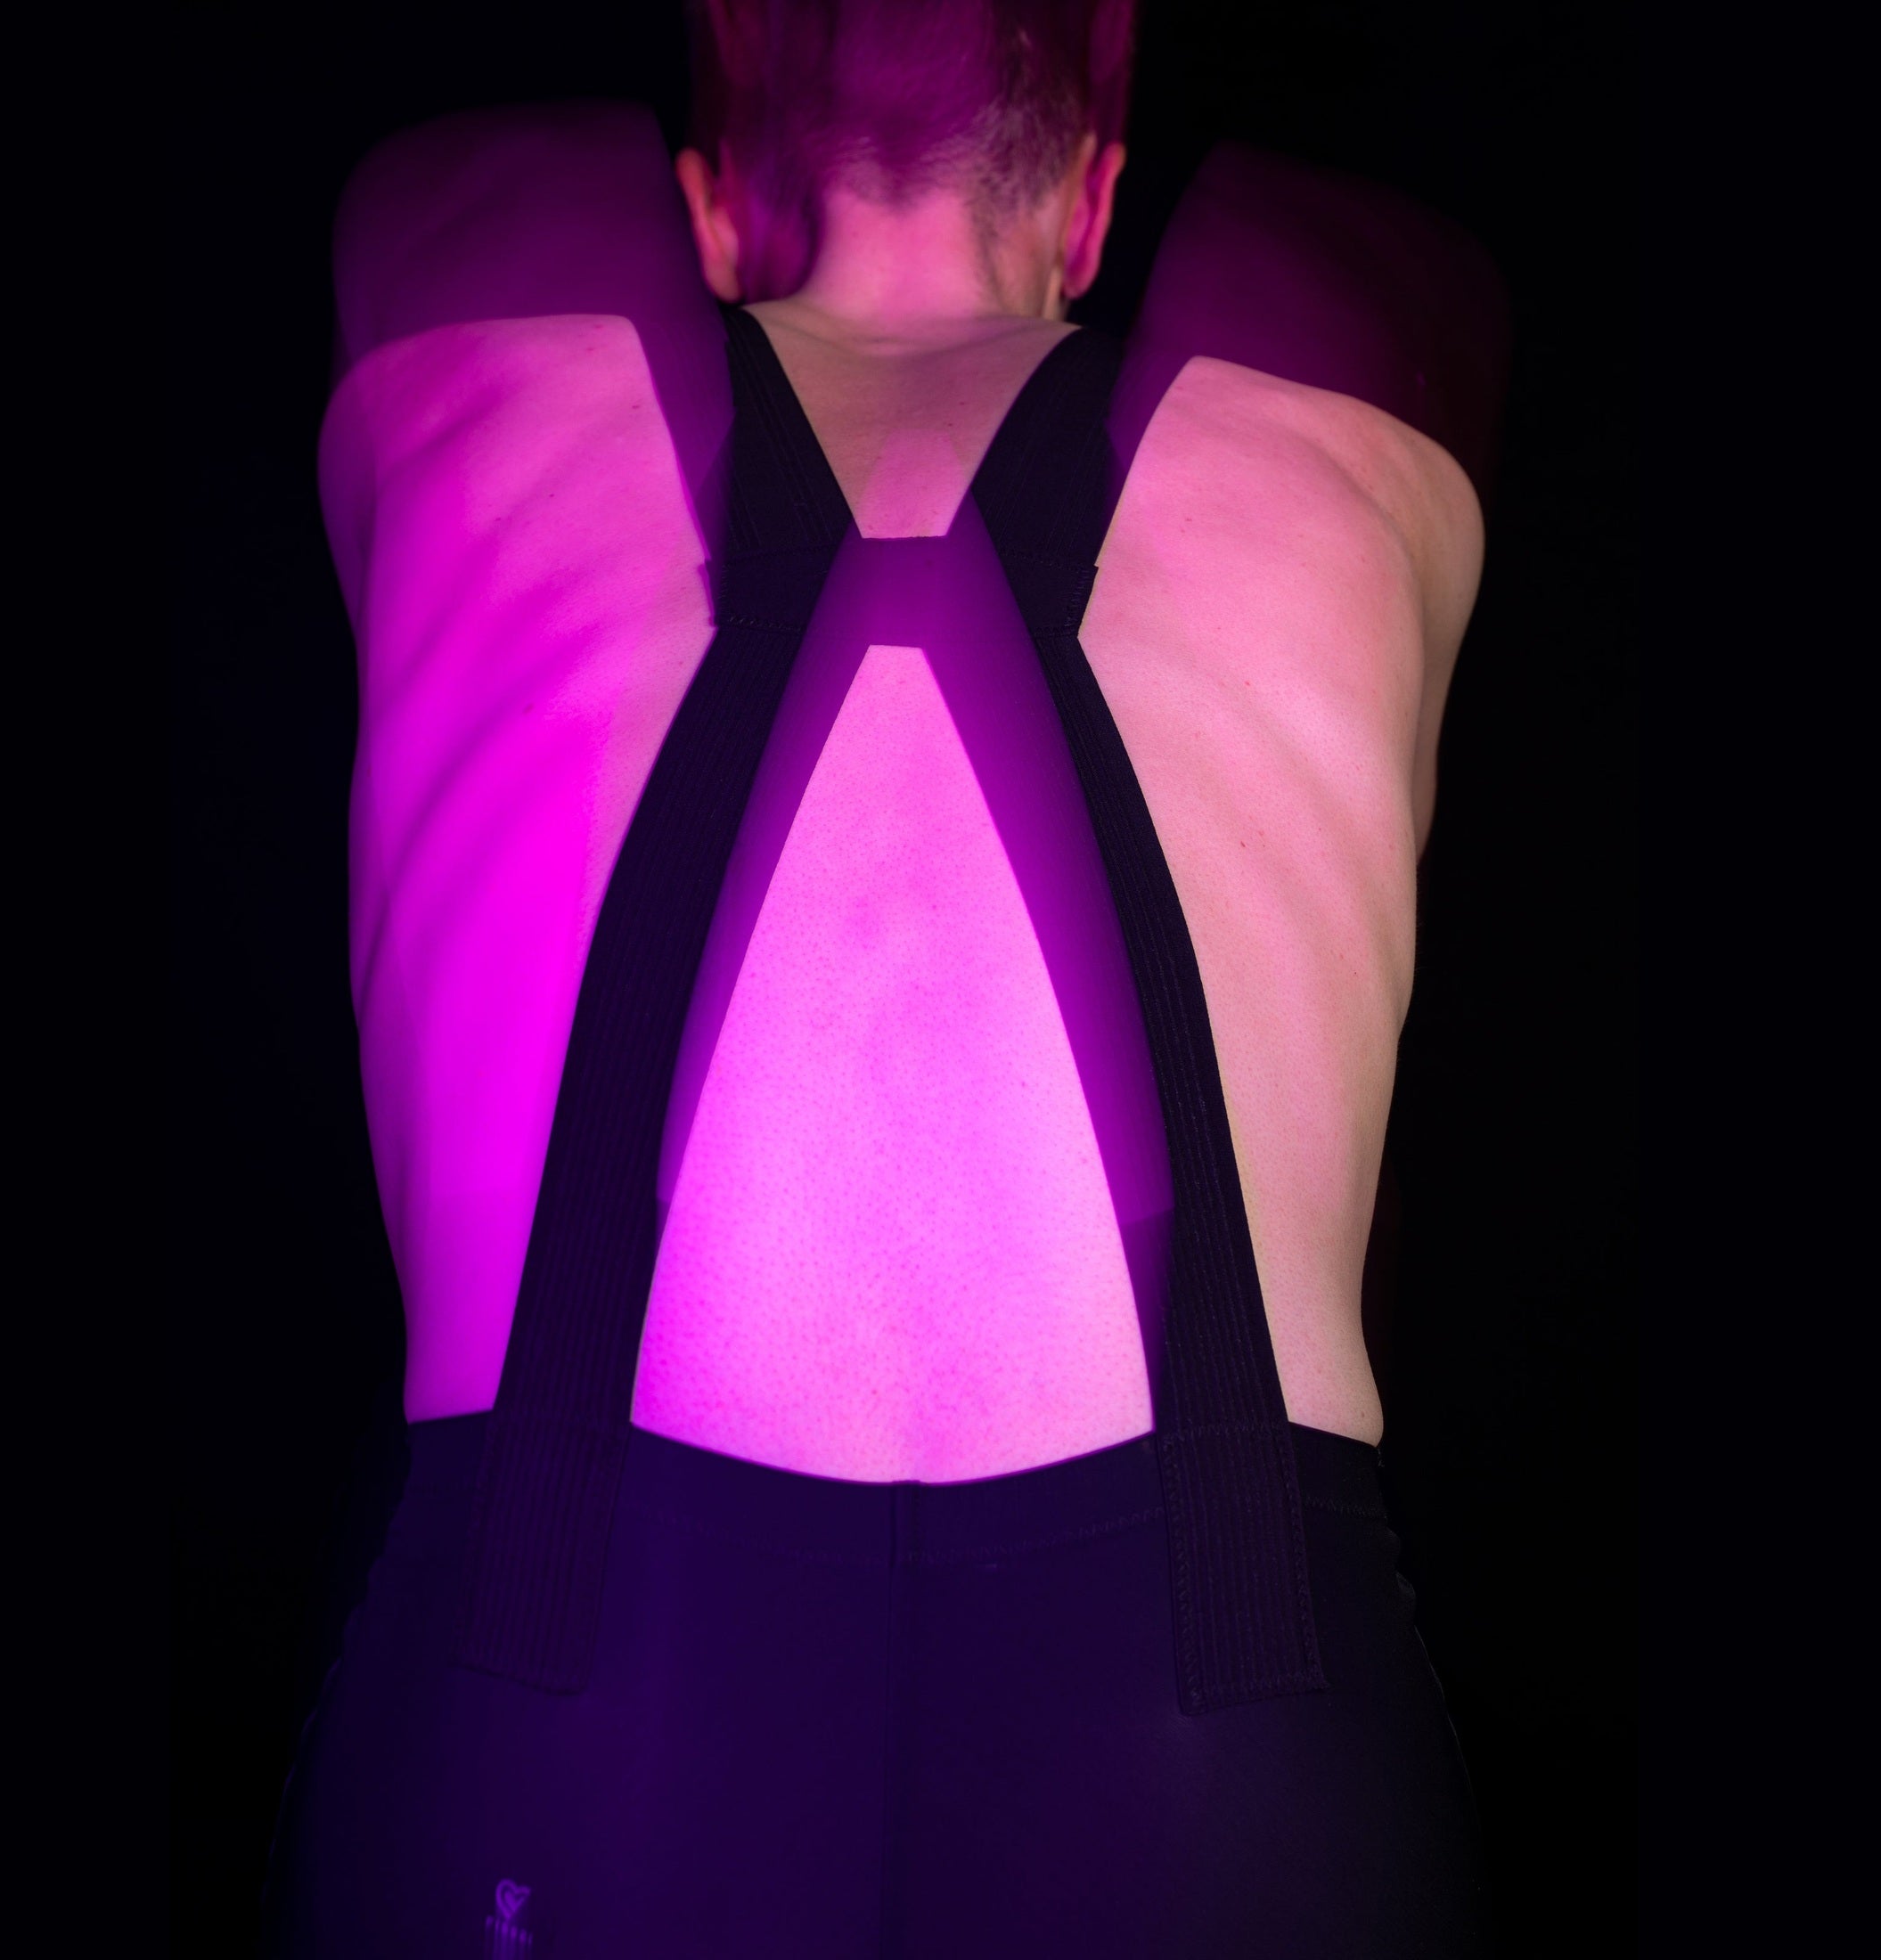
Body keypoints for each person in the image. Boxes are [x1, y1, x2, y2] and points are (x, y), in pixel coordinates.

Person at [265, 3, 1505, 1952]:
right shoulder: (1347, 368)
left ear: (709, 201)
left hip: (571, 1682)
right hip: (1218, 1691)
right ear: (1094, 203)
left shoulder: (474, 315)